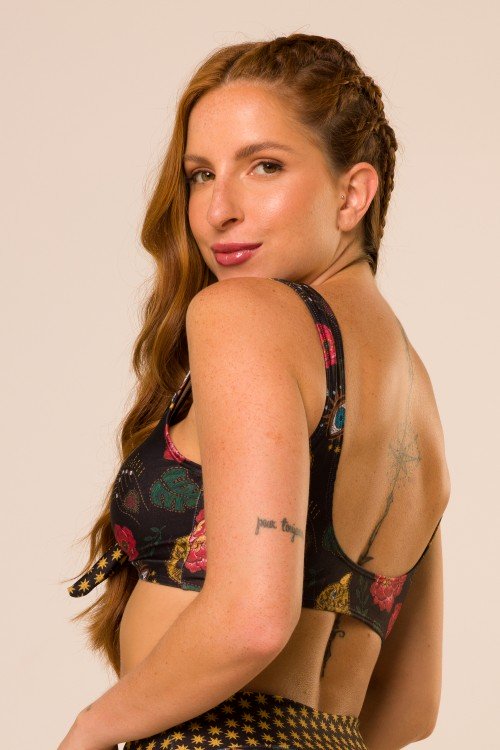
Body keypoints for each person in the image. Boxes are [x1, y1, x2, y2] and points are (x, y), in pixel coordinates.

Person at [59, 33, 450, 750]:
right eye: (201, 174)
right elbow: (410, 708)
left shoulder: (247, 312)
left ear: (353, 193)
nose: (218, 210)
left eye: (264, 166)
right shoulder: (414, 394)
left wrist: (89, 733)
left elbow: (252, 619)